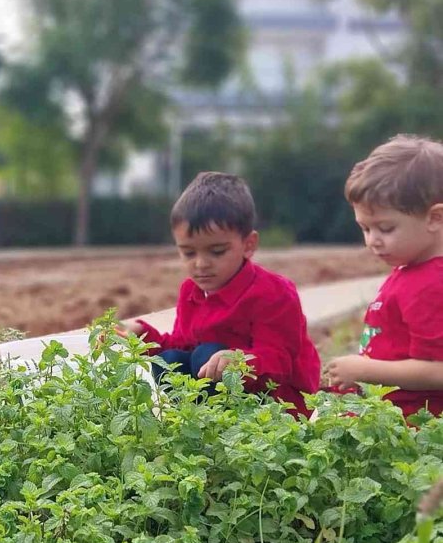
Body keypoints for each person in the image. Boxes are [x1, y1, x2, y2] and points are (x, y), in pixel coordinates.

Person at [121, 172, 320, 413]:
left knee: (206, 354)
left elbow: (279, 361)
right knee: (170, 361)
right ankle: (197, 423)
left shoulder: (273, 293)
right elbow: (184, 343)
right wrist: (142, 336)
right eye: (189, 253)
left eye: (216, 252)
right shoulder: (191, 291)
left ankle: (224, 429)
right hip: (224, 390)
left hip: (278, 402)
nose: (201, 264)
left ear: (248, 245)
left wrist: (238, 362)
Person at [325, 134, 443, 418]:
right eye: (365, 229)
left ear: (434, 218)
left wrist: (365, 370)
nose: (372, 241)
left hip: (410, 424)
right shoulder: (411, 269)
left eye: (385, 229)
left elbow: (439, 370)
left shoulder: (432, 285)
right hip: (385, 411)